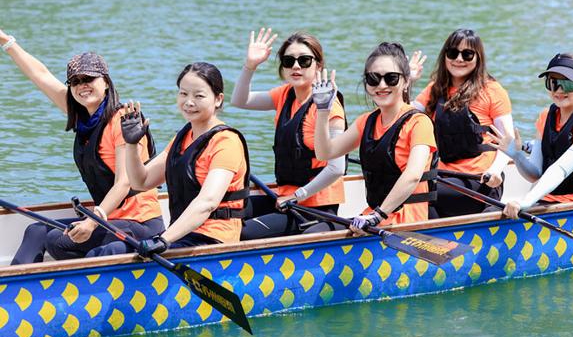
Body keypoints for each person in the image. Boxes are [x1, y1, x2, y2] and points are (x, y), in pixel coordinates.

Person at [0, 29, 163, 264]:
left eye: (88, 79)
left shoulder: (123, 121)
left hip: (140, 222)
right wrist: (6, 41)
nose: (82, 86)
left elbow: (124, 183)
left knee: (59, 240)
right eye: (75, 82)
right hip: (110, 220)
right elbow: (41, 76)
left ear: (106, 82)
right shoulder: (82, 118)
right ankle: (12, 285)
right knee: (37, 231)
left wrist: (93, 221)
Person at [90, 62, 250, 257]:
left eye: (199, 96)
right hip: (180, 235)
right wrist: (131, 145)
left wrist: (163, 240)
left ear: (218, 99)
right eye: (183, 94)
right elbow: (141, 182)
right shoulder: (183, 137)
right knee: (105, 251)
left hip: (214, 240)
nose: (189, 102)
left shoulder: (227, 142)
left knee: (112, 252)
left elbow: (207, 202)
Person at [231, 28, 346, 238]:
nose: (296, 66)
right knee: (226, 211)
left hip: (316, 206)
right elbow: (240, 100)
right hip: (284, 198)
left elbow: (337, 168)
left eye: (304, 60)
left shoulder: (330, 107)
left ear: (318, 65)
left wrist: (297, 196)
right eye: (288, 61)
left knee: (243, 233)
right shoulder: (284, 94)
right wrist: (250, 65)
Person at [312, 42, 437, 232]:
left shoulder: (419, 122)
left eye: (391, 78)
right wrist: (322, 110)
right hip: (373, 218)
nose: (382, 85)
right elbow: (325, 153)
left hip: (406, 222)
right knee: (315, 231)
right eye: (373, 79)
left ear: (406, 82)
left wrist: (378, 215)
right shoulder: (366, 121)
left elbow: (412, 176)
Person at [488, 53, 573, 218]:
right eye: (552, 83)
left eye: (567, 84)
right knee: (491, 213)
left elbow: (560, 169)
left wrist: (526, 201)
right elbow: (534, 174)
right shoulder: (546, 116)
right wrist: (517, 156)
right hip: (548, 202)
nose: (559, 90)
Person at [410, 29, 514, 218]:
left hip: (479, 181)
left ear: (478, 58)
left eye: (467, 54)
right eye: (453, 53)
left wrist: (496, 170)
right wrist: (408, 82)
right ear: (445, 56)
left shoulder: (492, 90)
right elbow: (402, 117)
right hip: (442, 177)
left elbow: (509, 140)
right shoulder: (435, 89)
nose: (459, 59)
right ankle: (430, 232)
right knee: (406, 188)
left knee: (416, 191)